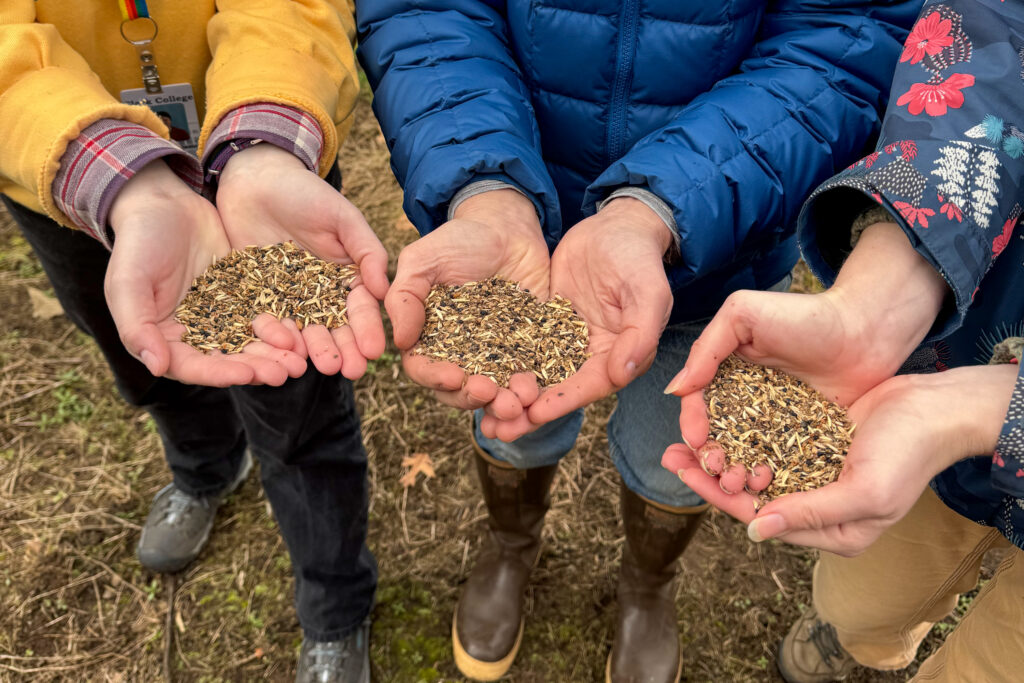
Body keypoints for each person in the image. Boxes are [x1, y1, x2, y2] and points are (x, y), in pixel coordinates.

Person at [356, 1, 920, 680]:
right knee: (514, 418)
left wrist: (660, 205)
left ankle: (648, 583)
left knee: (674, 451)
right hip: (519, 235)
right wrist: (484, 183)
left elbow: (849, 43)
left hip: (721, 245)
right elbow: (422, 9)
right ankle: (511, 541)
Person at [0, 2, 389, 681]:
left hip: (267, 151)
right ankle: (207, 466)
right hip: (60, 175)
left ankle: (335, 603)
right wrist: (116, 173)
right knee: (151, 353)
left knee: (299, 408)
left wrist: (262, 138)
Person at [662, 0, 1024, 680]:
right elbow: (997, 31)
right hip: (952, 358)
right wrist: (891, 282)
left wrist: (999, 411)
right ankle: (859, 643)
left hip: (963, 403)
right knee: (863, 598)